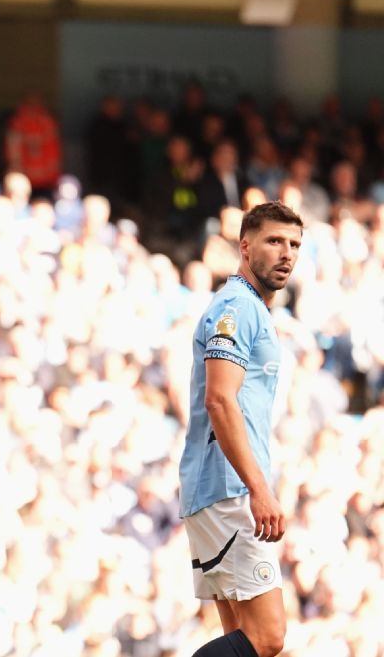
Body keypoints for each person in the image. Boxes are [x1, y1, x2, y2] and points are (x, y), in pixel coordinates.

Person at [179, 202, 303, 657]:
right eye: (274, 241)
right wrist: (259, 489)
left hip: (213, 488)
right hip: (228, 488)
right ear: (245, 246)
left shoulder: (249, 308)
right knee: (269, 637)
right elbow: (219, 398)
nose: (286, 253)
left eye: (294, 244)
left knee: (246, 640)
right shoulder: (236, 307)